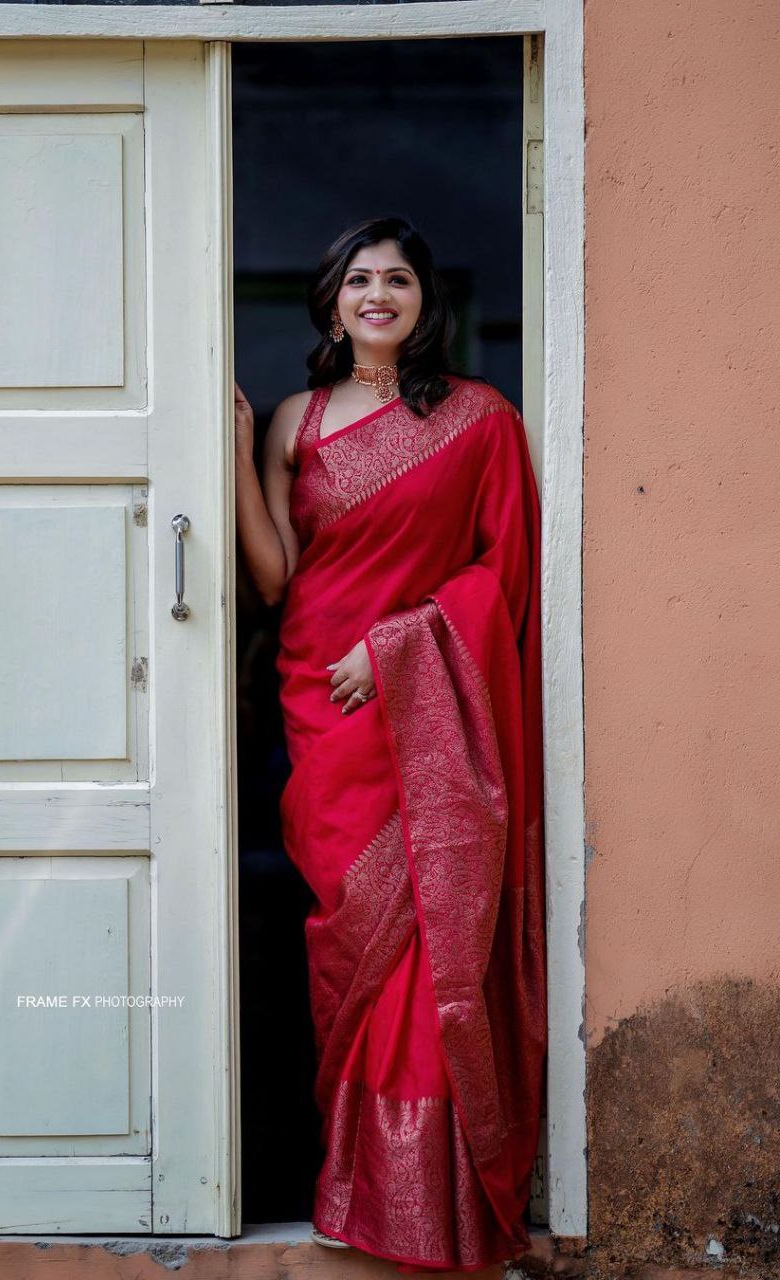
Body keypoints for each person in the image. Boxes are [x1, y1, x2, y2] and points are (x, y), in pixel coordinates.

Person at [234, 215, 547, 1275]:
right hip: (320, 707)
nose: (377, 294)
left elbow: (502, 572)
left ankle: (431, 1202)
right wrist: (237, 453)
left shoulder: (477, 418)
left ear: (425, 300)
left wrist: (401, 644)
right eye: (358, 279)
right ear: (329, 300)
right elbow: (275, 575)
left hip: (410, 698)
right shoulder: (297, 418)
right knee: (350, 945)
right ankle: (354, 1186)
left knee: (428, 948)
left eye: (397, 278)